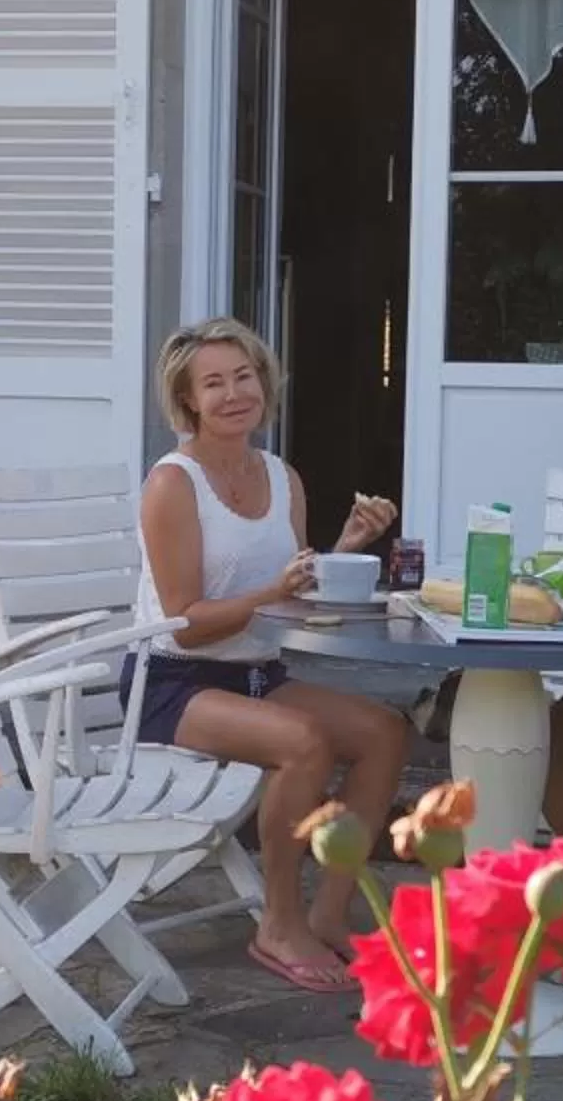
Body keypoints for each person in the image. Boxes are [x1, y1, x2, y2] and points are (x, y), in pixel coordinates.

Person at [133, 317, 408, 991]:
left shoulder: (282, 478)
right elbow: (186, 625)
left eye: (244, 376)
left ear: (265, 382)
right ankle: (278, 922)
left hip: (258, 674)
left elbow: (293, 597)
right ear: (189, 401)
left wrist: (343, 549)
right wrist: (271, 591)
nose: (234, 393)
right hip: (175, 684)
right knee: (305, 741)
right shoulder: (173, 483)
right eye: (214, 383)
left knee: (385, 733)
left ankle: (332, 913)